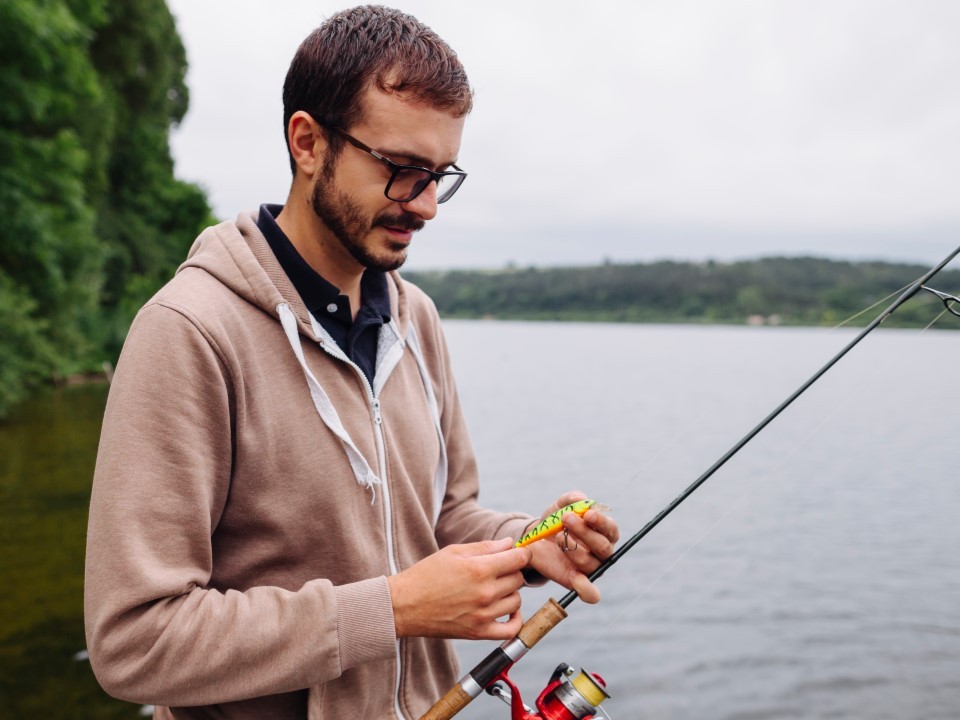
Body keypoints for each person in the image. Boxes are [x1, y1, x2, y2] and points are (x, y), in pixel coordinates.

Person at [84, 6, 620, 719]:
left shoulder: (416, 318)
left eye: (439, 174)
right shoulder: (189, 332)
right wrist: (390, 609)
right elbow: (133, 641)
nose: (426, 204)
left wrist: (524, 546)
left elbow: (442, 515)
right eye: (401, 170)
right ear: (307, 142)